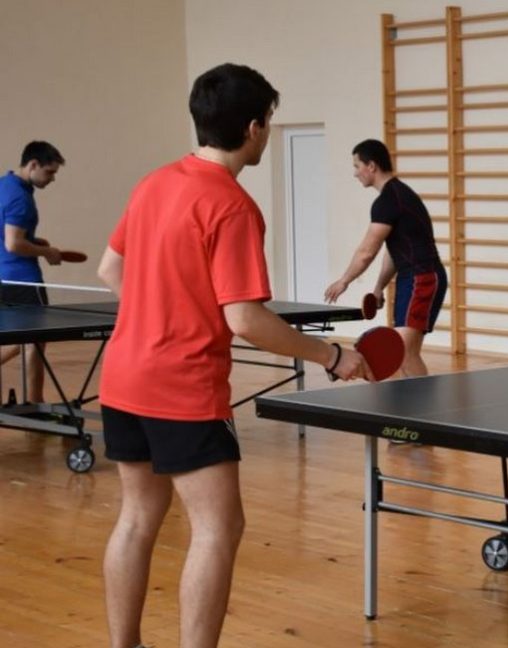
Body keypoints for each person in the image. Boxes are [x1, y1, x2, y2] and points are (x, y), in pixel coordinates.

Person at [96, 63, 371, 648]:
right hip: (181, 388)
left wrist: (156, 311)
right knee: (218, 528)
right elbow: (244, 320)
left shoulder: (152, 184)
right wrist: (329, 355)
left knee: (138, 518)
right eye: (267, 120)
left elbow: (109, 269)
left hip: (122, 377)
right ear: (253, 128)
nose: (266, 130)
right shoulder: (232, 205)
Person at [324, 138, 448, 378]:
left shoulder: (389, 200)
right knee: (406, 352)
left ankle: (423, 402)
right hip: (413, 277)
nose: (355, 173)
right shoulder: (397, 195)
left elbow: (366, 252)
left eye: (357, 166)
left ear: (371, 166)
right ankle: (418, 399)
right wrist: (379, 286)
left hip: (421, 278)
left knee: (405, 352)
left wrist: (344, 281)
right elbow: (393, 250)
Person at [0, 141, 67, 402]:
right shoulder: (21, 199)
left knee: (18, 338)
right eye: (49, 172)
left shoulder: (4, 186)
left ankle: (30, 404)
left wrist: (33, 241)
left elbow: (7, 235)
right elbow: (13, 243)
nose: (52, 179)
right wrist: (46, 252)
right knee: (35, 340)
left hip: (3, 277)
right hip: (23, 280)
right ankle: (35, 404)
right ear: (33, 165)